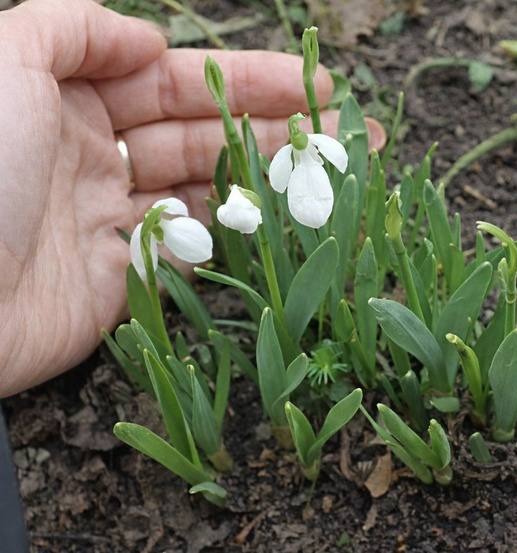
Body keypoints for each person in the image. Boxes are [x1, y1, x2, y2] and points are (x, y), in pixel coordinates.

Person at [0, 0, 384, 397]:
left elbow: (304, 173)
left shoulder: (303, 152)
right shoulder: (281, 162)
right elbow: (279, 183)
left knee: (314, 223)